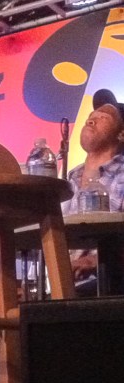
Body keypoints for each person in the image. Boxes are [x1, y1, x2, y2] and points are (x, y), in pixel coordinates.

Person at [61, 89, 124, 292]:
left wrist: (96, 260)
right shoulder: (68, 180)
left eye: (103, 117)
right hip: (64, 285)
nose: (91, 120)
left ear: (121, 134)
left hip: (110, 285)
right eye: (90, 117)